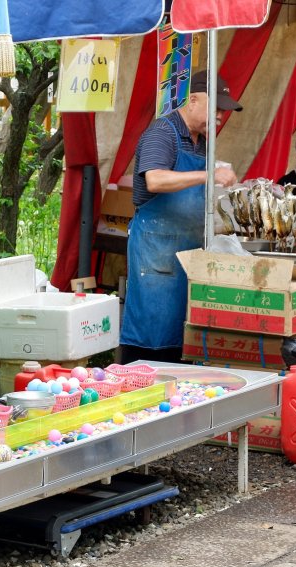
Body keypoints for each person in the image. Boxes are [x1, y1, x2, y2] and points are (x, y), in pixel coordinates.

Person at [119, 70, 243, 364]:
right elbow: (156, 180)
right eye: (217, 109)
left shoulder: (201, 142)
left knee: (181, 335)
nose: (221, 117)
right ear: (192, 100)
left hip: (188, 253)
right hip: (156, 252)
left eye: (224, 111)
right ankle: (137, 383)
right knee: (152, 332)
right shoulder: (162, 133)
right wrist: (209, 175)